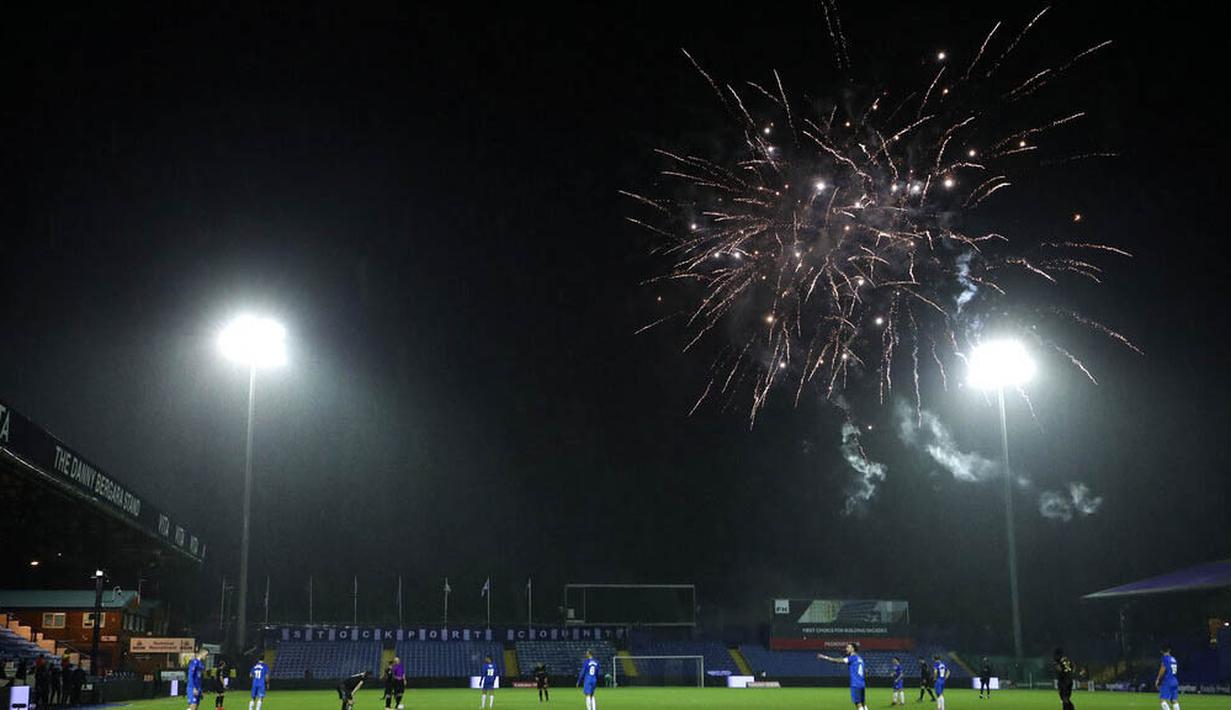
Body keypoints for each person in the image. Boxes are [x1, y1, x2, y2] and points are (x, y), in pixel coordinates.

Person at [817, 642, 867, 710]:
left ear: (852, 649)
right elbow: (865, 671)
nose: (846, 649)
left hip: (856, 684)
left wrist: (825, 657)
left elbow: (837, 660)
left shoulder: (852, 658)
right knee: (863, 703)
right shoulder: (860, 659)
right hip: (862, 684)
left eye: (848, 647)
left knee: (858, 704)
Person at [1156, 645, 1180, 710]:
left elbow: (1162, 669)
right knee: (1174, 700)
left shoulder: (1165, 658)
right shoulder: (1174, 659)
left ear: (1161, 651)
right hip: (1175, 680)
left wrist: (1158, 679)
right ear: (1169, 650)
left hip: (1168, 681)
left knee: (1162, 700)